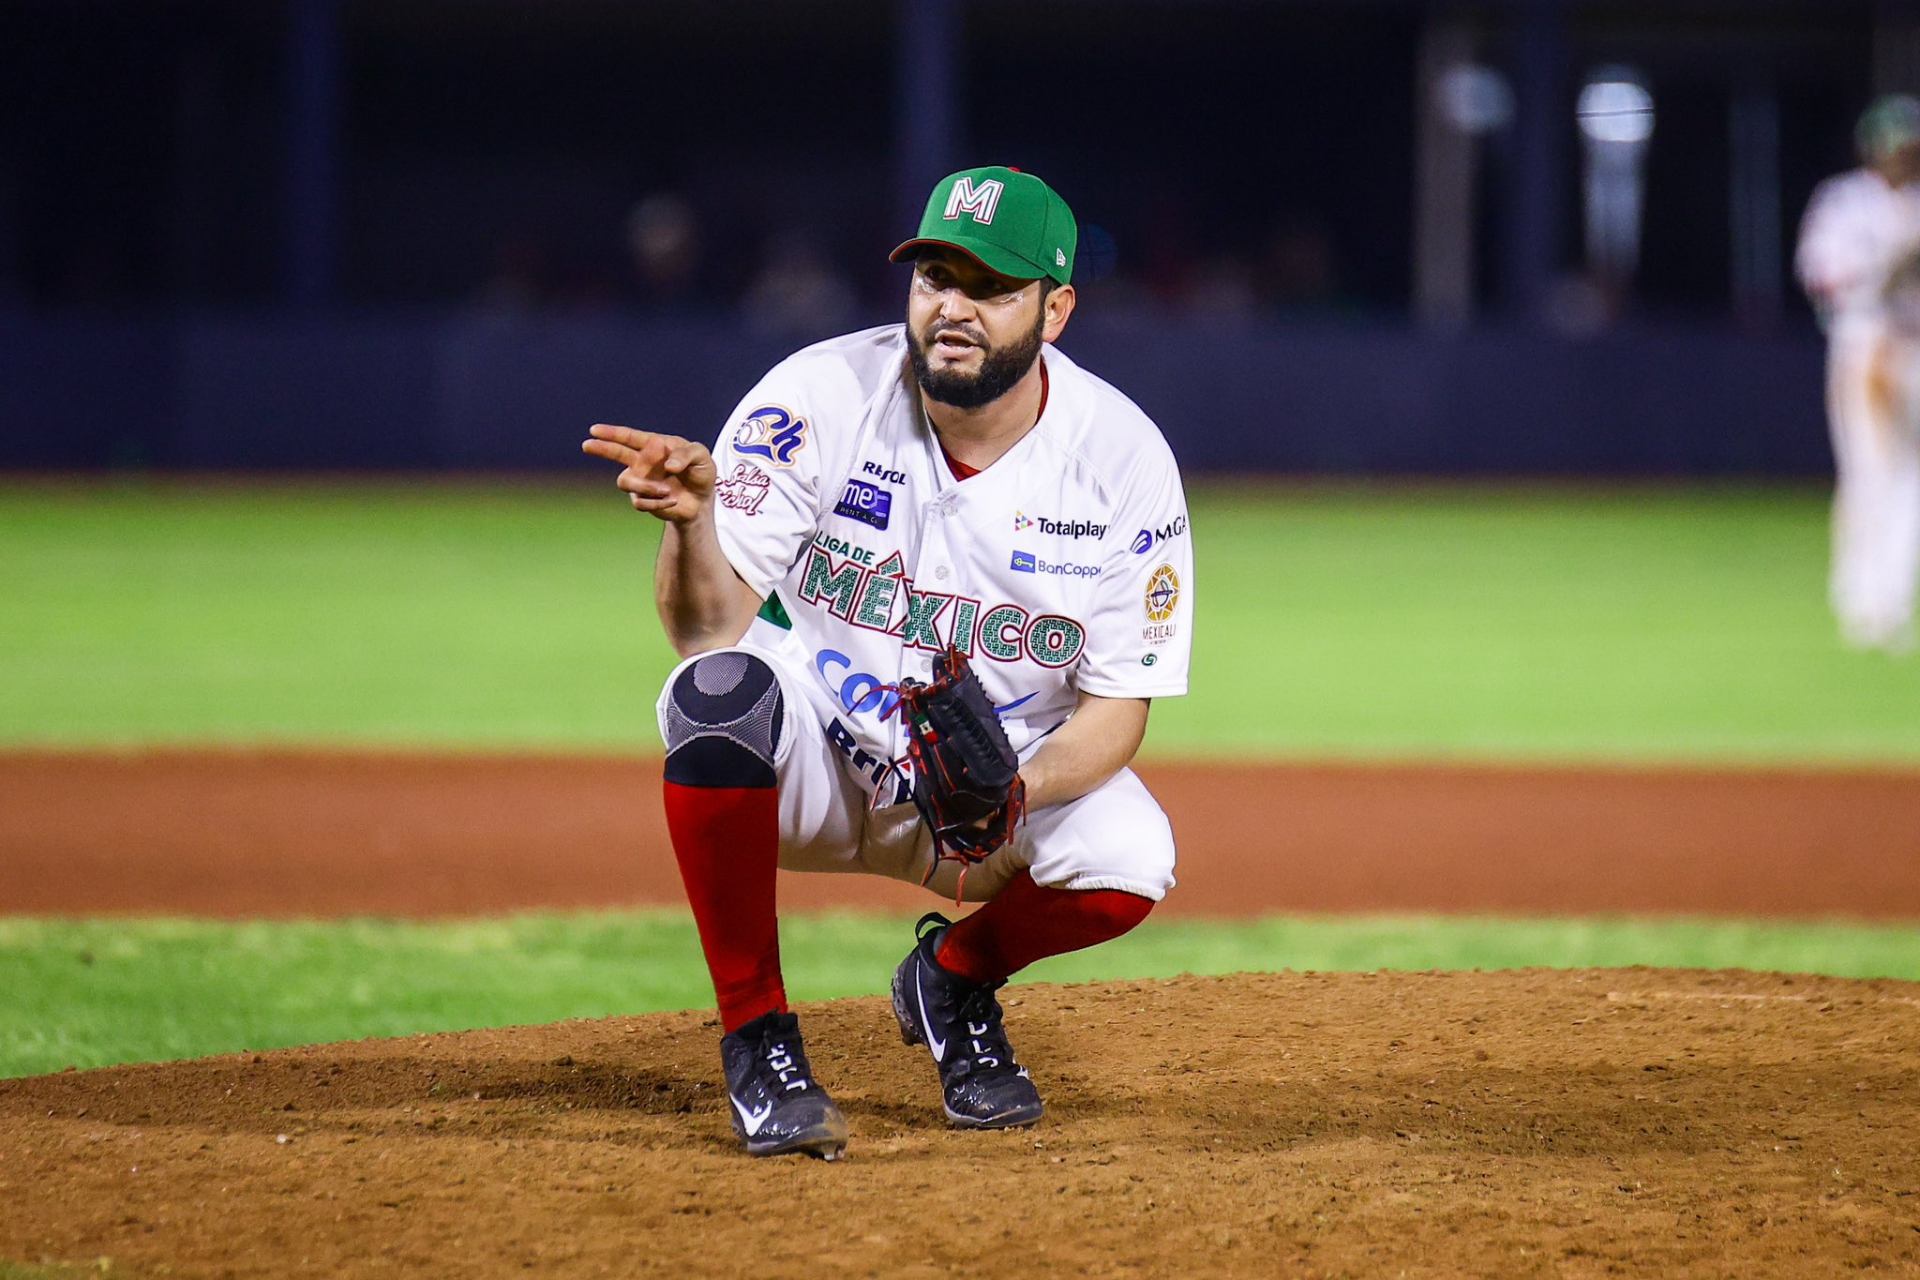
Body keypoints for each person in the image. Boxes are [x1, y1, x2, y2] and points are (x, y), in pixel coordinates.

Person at [581, 166, 1194, 1158]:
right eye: (933, 276)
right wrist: (692, 529)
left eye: (989, 286)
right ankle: (758, 1039)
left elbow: (1119, 709)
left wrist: (1016, 791)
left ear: (1057, 309)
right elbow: (707, 635)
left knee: (1132, 858)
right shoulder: (822, 396)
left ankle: (952, 978)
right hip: (817, 761)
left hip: (988, 800)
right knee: (714, 694)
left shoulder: (1122, 460)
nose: (951, 306)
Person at [1797, 95, 1920, 653]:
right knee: (1869, 474)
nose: (1903, 154)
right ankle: (1860, 603)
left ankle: (1891, 604)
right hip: (1867, 340)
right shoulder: (1844, 201)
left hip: (1916, 345)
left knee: (1914, 481)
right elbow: (1825, 279)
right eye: (1895, 144)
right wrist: (1889, 265)